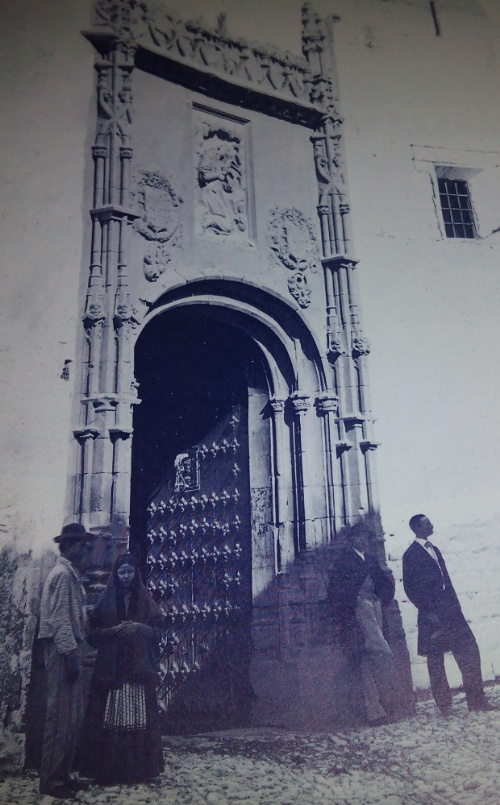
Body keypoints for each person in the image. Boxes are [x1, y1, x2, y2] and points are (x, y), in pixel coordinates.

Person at [81, 552, 164, 785]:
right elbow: (93, 636)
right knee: (111, 717)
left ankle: (138, 769)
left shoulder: (145, 600)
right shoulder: (105, 601)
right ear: (115, 575)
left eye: (130, 571)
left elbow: (157, 632)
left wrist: (139, 627)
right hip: (112, 669)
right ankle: (109, 770)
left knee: (137, 717)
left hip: (137, 669)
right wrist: (115, 631)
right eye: (121, 572)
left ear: (136, 574)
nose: (126, 576)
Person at [403, 514, 495, 716]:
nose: (432, 525)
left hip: (452, 613)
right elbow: (410, 588)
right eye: (428, 523)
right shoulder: (410, 555)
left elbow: (446, 581)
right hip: (432, 616)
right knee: (435, 660)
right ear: (417, 528)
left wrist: (457, 608)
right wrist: (428, 612)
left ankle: (477, 701)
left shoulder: (434, 549)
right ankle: (444, 705)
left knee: (469, 651)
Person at [38, 522, 94, 798]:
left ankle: (63, 774)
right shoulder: (61, 574)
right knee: (60, 718)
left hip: (69, 649)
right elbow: (59, 618)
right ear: (69, 546)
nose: (86, 549)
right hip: (62, 651)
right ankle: (51, 780)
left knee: (71, 718)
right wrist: (70, 653)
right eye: (82, 544)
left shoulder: (71, 574)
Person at [327, 523, 397, 726]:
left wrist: (382, 599)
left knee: (370, 660)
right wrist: (356, 599)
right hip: (358, 613)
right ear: (352, 540)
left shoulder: (372, 559)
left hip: (375, 608)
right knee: (377, 654)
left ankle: (380, 711)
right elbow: (335, 589)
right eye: (358, 537)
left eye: (365, 537)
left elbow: (384, 581)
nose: (362, 540)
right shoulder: (344, 561)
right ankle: (377, 709)